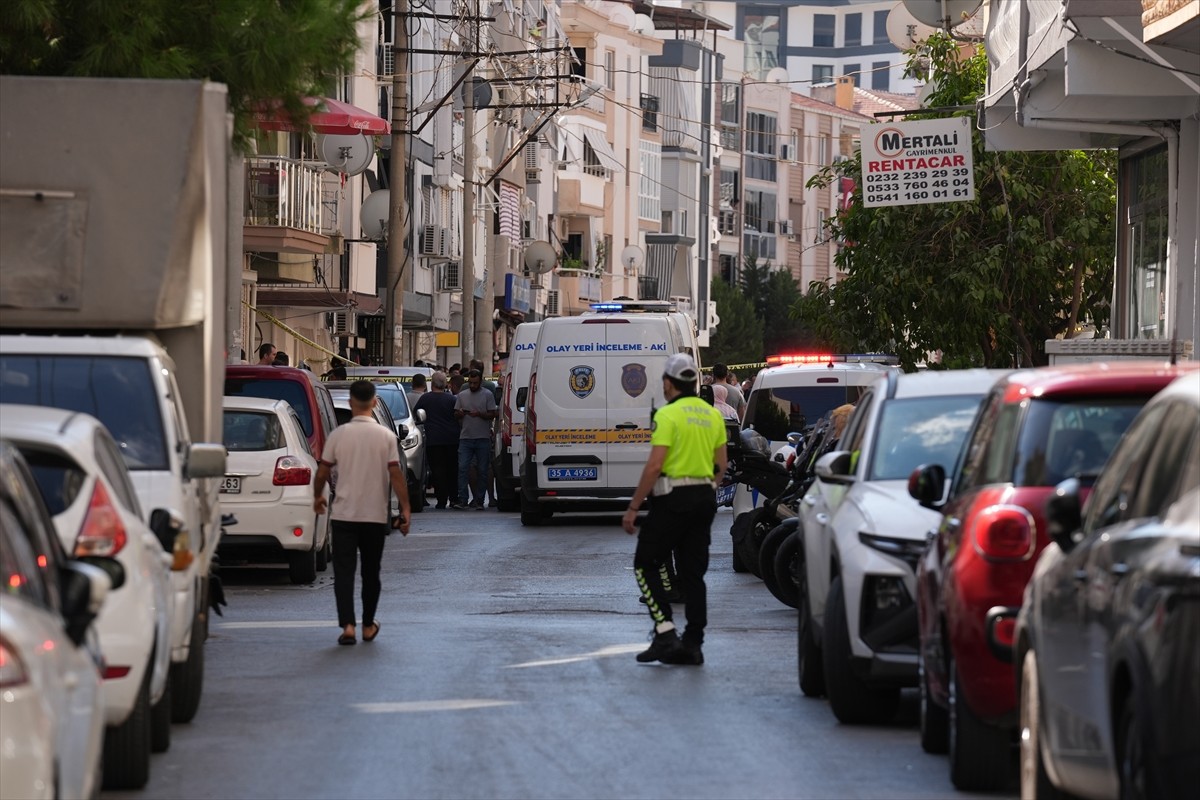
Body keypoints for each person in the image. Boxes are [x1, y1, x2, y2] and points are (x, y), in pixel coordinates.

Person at [622, 353, 727, 666]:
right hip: (704, 498)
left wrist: (633, 507)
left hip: (673, 500)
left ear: (668, 383)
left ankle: (665, 631)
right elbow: (721, 464)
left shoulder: (667, 415)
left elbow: (655, 465)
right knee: (693, 574)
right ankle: (693, 643)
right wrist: (708, 488)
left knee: (644, 562)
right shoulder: (712, 415)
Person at [312, 381, 411, 646]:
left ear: (352, 403)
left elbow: (322, 471)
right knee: (371, 572)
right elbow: (396, 474)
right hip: (374, 517)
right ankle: (368, 625)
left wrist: (317, 498)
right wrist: (405, 508)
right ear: (375, 403)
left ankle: (347, 627)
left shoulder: (338, 435)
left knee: (343, 573)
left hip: (344, 515)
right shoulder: (386, 437)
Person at [414, 371, 460, 509]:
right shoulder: (452, 399)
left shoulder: (425, 399)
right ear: (445, 384)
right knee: (452, 469)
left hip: (433, 439)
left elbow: (417, 414)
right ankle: (454, 498)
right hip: (452, 439)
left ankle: (441, 500)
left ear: (432, 383)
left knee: (437, 470)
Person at [453, 369, 497, 510]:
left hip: (482, 437)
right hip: (465, 437)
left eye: (475, 383)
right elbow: (455, 414)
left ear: (481, 381)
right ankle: (463, 499)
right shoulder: (462, 395)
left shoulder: (487, 394)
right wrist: (459, 413)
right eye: (470, 383)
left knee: (483, 470)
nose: (472, 385)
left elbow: (492, 414)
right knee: (462, 468)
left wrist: (480, 414)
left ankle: (479, 500)